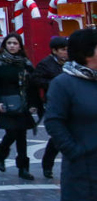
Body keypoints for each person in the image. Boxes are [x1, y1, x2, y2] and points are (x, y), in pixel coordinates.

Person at [44, 28, 97, 200]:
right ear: (88, 52)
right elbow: (53, 122)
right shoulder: (64, 83)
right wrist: (75, 152)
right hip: (83, 171)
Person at [0, 32, 40, 180]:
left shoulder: (25, 62)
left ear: (20, 46)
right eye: (9, 43)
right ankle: (1, 153)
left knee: (22, 135)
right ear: (5, 45)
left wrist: (34, 104)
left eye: (15, 43)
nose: (12, 46)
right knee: (11, 133)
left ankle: (23, 168)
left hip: (22, 103)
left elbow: (32, 85)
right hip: (5, 102)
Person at [31, 35, 68, 178]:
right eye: (64, 50)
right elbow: (36, 80)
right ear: (54, 50)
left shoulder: (70, 62)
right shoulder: (46, 64)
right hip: (53, 103)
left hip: (69, 102)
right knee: (58, 135)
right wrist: (54, 83)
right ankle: (47, 164)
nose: (66, 52)